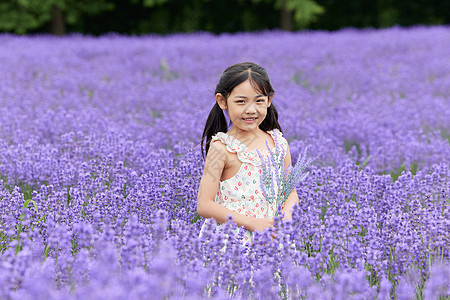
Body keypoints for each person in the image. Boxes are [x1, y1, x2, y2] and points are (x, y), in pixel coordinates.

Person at [196, 62, 299, 244]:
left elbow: (289, 191)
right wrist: (252, 223)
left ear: (269, 100)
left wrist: (287, 217)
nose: (251, 109)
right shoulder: (222, 148)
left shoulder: (278, 143)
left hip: (270, 237)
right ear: (222, 101)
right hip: (231, 241)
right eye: (241, 101)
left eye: (259, 101)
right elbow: (204, 205)